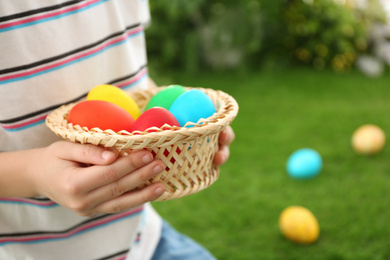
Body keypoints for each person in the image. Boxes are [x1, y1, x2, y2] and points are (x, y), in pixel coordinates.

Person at [0, 1, 235, 259]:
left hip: (141, 237)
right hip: (25, 250)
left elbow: (133, 76)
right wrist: (35, 173)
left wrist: (182, 129)